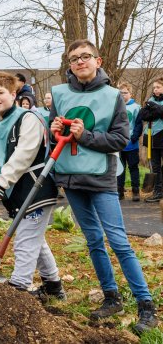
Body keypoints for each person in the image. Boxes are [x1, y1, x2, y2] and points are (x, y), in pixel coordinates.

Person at [50, 39, 157, 334]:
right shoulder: (59, 94)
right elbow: (53, 138)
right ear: (69, 64)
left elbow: (120, 140)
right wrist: (54, 132)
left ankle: (146, 305)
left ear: (98, 61)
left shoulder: (113, 97)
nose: (80, 62)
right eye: (74, 58)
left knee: (119, 242)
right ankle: (111, 298)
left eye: (86, 56)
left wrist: (84, 136)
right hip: (71, 179)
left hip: (102, 178)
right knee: (94, 241)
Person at [0, 72, 65, 300]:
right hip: (12, 192)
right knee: (35, 238)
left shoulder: (28, 119)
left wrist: (1, 183)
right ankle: (54, 287)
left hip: (35, 187)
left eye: (0, 93)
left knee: (26, 240)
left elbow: (23, 155)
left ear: (14, 94)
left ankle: (18, 288)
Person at [116, 82, 142, 202]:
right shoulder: (116, 106)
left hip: (131, 144)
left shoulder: (136, 107)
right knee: (120, 168)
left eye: (125, 93)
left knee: (133, 167)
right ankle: (119, 191)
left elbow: (138, 125)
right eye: (121, 93)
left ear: (130, 94)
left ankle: (135, 191)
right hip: (119, 144)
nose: (123, 95)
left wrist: (134, 138)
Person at [140, 77, 163, 203]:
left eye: (158, 87)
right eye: (154, 87)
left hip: (162, 136)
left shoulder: (152, 103)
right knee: (155, 167)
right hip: (152, 137)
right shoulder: (150, 99)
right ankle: (157, 192)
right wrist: (156, 110)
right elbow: (143, 115)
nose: (155, 89)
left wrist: (154, 107)